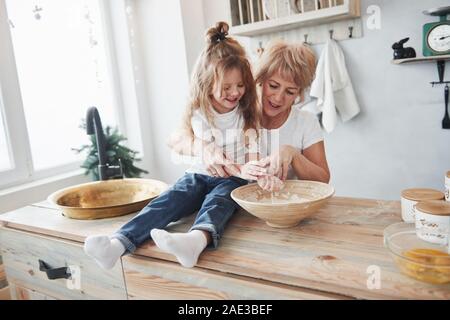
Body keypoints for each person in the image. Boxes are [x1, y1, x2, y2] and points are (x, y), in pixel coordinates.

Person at [84, 22, 265, 270]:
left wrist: (249, 170)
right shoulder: (200, 113)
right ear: (207, 83)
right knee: (168, 200)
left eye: (240, 85)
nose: (235, 92)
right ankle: (116, 245)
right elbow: (188, 144)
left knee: (219, 202)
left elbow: (251, 153)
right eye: (226, 87)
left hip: (232, 178)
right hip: (198, 175)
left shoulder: (246, 112)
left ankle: (194, 241)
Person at [171, 40, 330, 191]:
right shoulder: (237, 111)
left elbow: (323, 179)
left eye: (290, 91)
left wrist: (293, 154)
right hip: (236, 205)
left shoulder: (305, 122)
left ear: (299, 93)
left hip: (283, 207)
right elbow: (175, 141)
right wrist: (203, 148)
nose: (278, 97)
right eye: (273, 86)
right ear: (260, 80)